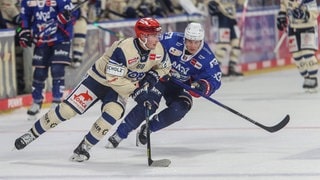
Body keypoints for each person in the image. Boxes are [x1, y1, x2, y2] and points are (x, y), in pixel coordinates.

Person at [14, 17, 172, 162]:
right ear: (143, 36)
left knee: (113, 113)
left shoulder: (158, 50)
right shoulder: (124, 49)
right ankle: (32, 134)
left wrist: (153, 75)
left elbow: (166, 67)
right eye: (154, 35)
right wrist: (137, 91)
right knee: (66, 111)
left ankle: (84, 147)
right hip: (97, 80)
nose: (158, 38)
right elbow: (114, 79)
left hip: (120, 88)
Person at [106, 22, 222, 148]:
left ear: (202, 41)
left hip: (179, 86)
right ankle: (119, 134)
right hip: (158, 79)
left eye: (196, 42)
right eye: (189, 41)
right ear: (184, 38)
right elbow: (149, 46)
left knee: (181, 108)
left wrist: (202, 86)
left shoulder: (207, 57)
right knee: (148, 105)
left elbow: (215, 79)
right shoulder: (171, 39)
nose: (192, 45)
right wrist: (157, 68)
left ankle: (148, 128)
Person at [17, 0, 76, 120]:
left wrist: (66, 16)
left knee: (57, 69)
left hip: (61, 38)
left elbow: (75, 13)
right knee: (39, 73)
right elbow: (25, 16)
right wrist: (25, 31)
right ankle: (36, 101)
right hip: (41, 38)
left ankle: (56, 101)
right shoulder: (28, 1)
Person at [276, 0, 319, 92]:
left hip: (308, 27)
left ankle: (313, 78)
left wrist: (305, 15)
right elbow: (284, 4)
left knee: (307, 54)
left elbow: (314, 12)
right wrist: (282, 15)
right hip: (293, 28)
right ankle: (306, 77)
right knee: (297, 56)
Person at [206, 0, 244, 76]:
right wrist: (213, 4)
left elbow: (240, 3)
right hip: (221, 18)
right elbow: (210, 4)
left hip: (232, 18)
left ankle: (232, 67)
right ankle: (215, 69)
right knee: (222, 45)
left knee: (237, 43)